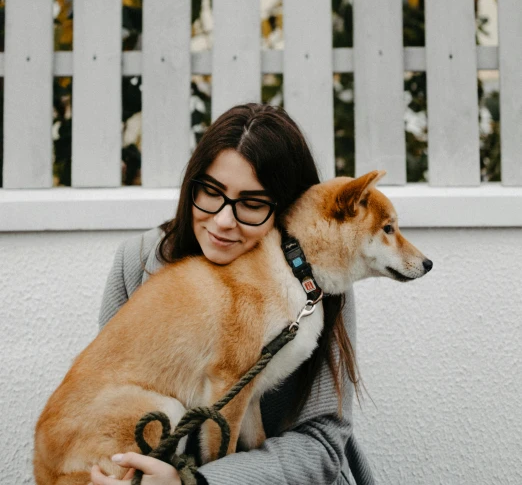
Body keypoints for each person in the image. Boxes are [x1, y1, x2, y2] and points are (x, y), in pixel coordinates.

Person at [89, 103, 374, 485]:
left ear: (288, 210)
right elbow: (106, 395)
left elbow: (322, 442)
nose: (223, 221)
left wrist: (202, 483)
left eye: (252, 204)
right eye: (210, 192)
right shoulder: (138, 261)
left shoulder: (320, 283)